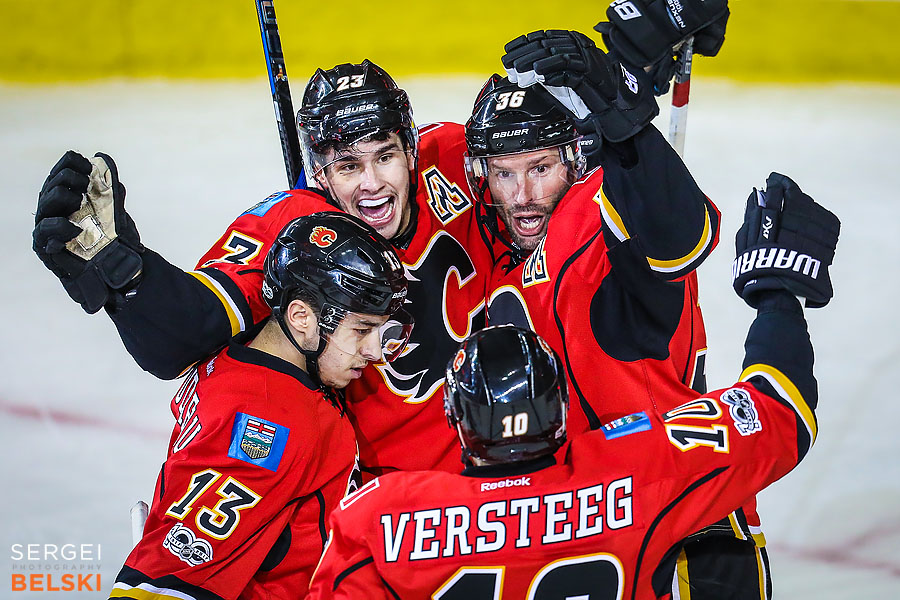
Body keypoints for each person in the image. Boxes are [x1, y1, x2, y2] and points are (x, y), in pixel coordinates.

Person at [305, 173, 840, 598]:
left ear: (456, 421)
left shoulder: (383, 518)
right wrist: (778, 296)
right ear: (560, 405)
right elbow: (782, 411)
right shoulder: (640, 471)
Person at [109, 211, 411, 599]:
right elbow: (167, 579)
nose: (374, 352)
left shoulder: (240, 359)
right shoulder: (272, 425)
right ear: (301, 316)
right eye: (362, 330)